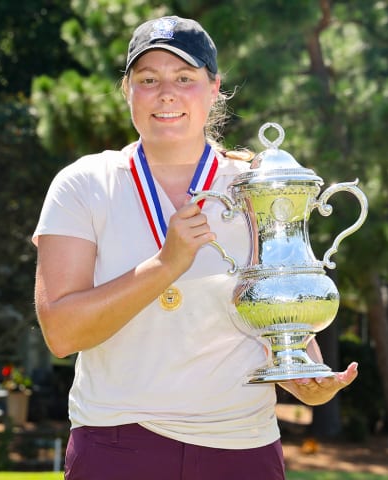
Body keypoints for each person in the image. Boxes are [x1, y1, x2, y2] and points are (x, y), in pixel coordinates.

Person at [33, 15, 358, 479]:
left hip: (243, 446)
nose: (166, 93)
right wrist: (167, 264)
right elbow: (62, 334)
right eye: (148, 80)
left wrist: (307, 379)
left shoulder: (255, 188)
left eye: (185, 78)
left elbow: (284, 319)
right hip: (118, 443)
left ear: (213, 89)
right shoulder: (85, 185)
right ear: (127, 91)